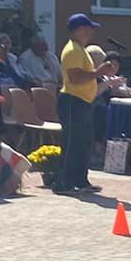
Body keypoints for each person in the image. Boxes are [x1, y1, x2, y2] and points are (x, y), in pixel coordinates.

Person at [53, 13, 102, 193]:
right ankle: (62, 182)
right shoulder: (73, 50)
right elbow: (75, 78)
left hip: (82, 102)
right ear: (80, 29)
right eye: (89, 28)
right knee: (72, 143)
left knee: (83, 143)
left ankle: (80, 181)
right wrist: (98, 73)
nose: (92, 33)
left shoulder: (80, 49)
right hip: (73, 101)